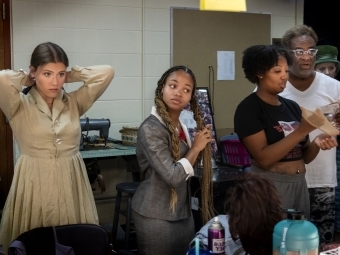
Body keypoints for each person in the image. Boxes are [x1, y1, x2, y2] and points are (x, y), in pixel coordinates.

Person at [0, 42, 114, 252]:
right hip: (34, 183)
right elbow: (2, 79)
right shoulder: (18, 105)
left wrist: (72, 75)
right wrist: (29, 76)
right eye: (47, 74)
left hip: (71, 184)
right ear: (34, 72)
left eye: (60, 74)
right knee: (35, 242)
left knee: (73, 240)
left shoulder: (73, 102)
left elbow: (106, 73)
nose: (55, 81)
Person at [234, 44, 337, 223]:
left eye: (286, 71)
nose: (284, 76)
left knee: (296, 244)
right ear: (259, 72)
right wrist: (302, 130)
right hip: (271, 186)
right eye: (276, 71)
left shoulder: (291, 106)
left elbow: (303, 157)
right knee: (273, 242)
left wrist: (317, 142)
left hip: (299, 184)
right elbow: (264, 159)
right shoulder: (249, 109)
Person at [131, 65, 213, 255]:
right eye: (173, 86)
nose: (178, 93)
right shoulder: (151, 129)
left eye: (186, 90)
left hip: (182, 212)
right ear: (162, 89)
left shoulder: (181, 126)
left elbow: (188, 164)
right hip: (155, 214)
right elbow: (174, 176)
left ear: (191, 97)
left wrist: (205, 146)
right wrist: (195, 148)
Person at [280, 25, 340, 244]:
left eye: (311, 50)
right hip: (285, 180)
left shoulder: (334, 87)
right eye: (298, 51)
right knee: (287, 243)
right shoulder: (275, 88)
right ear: (286, 53)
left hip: (323, 179)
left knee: (321, 243)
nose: (306, 57)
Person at [314, 45, 340, 237]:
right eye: (322, 69)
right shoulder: (309, 91)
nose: (328, 72)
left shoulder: (337, 89)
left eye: (331, 68)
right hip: (313, 156)